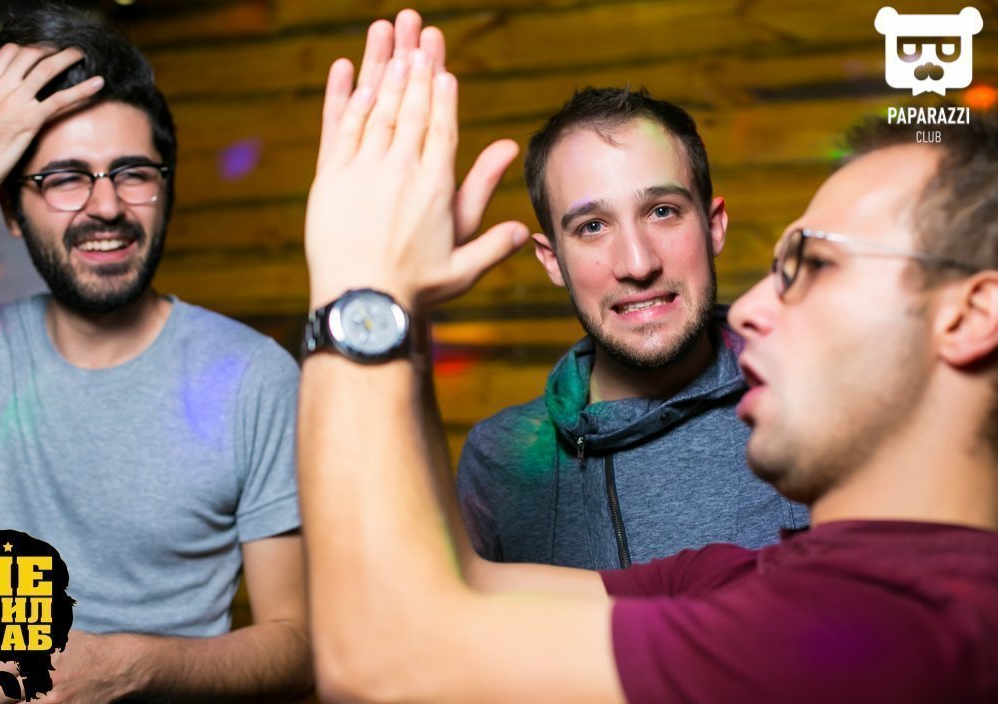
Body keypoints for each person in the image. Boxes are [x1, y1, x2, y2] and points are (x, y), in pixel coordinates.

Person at [299, 10, 998, 703]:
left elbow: (385, 663)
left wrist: (355, 287)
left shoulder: (897, 628)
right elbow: (471, 585)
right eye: (592, 226)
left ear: (971, 317)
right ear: (552, 256)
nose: (749, 308)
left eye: (813, 265)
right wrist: (405, 310)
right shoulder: (759, 576)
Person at [0, 5, 311, 702]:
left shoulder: (253, 376)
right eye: (64, 177)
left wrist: (132, 667)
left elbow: (296, 650)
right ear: (12, 212)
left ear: (166, 189)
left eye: (133, 172)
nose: (106, 206)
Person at [457, 86, 805, 569]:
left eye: (662, 211)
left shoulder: (815, 400)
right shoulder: (501, 461)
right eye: (592, 227)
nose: (638, 265)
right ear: (552, 260)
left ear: (714, 226)